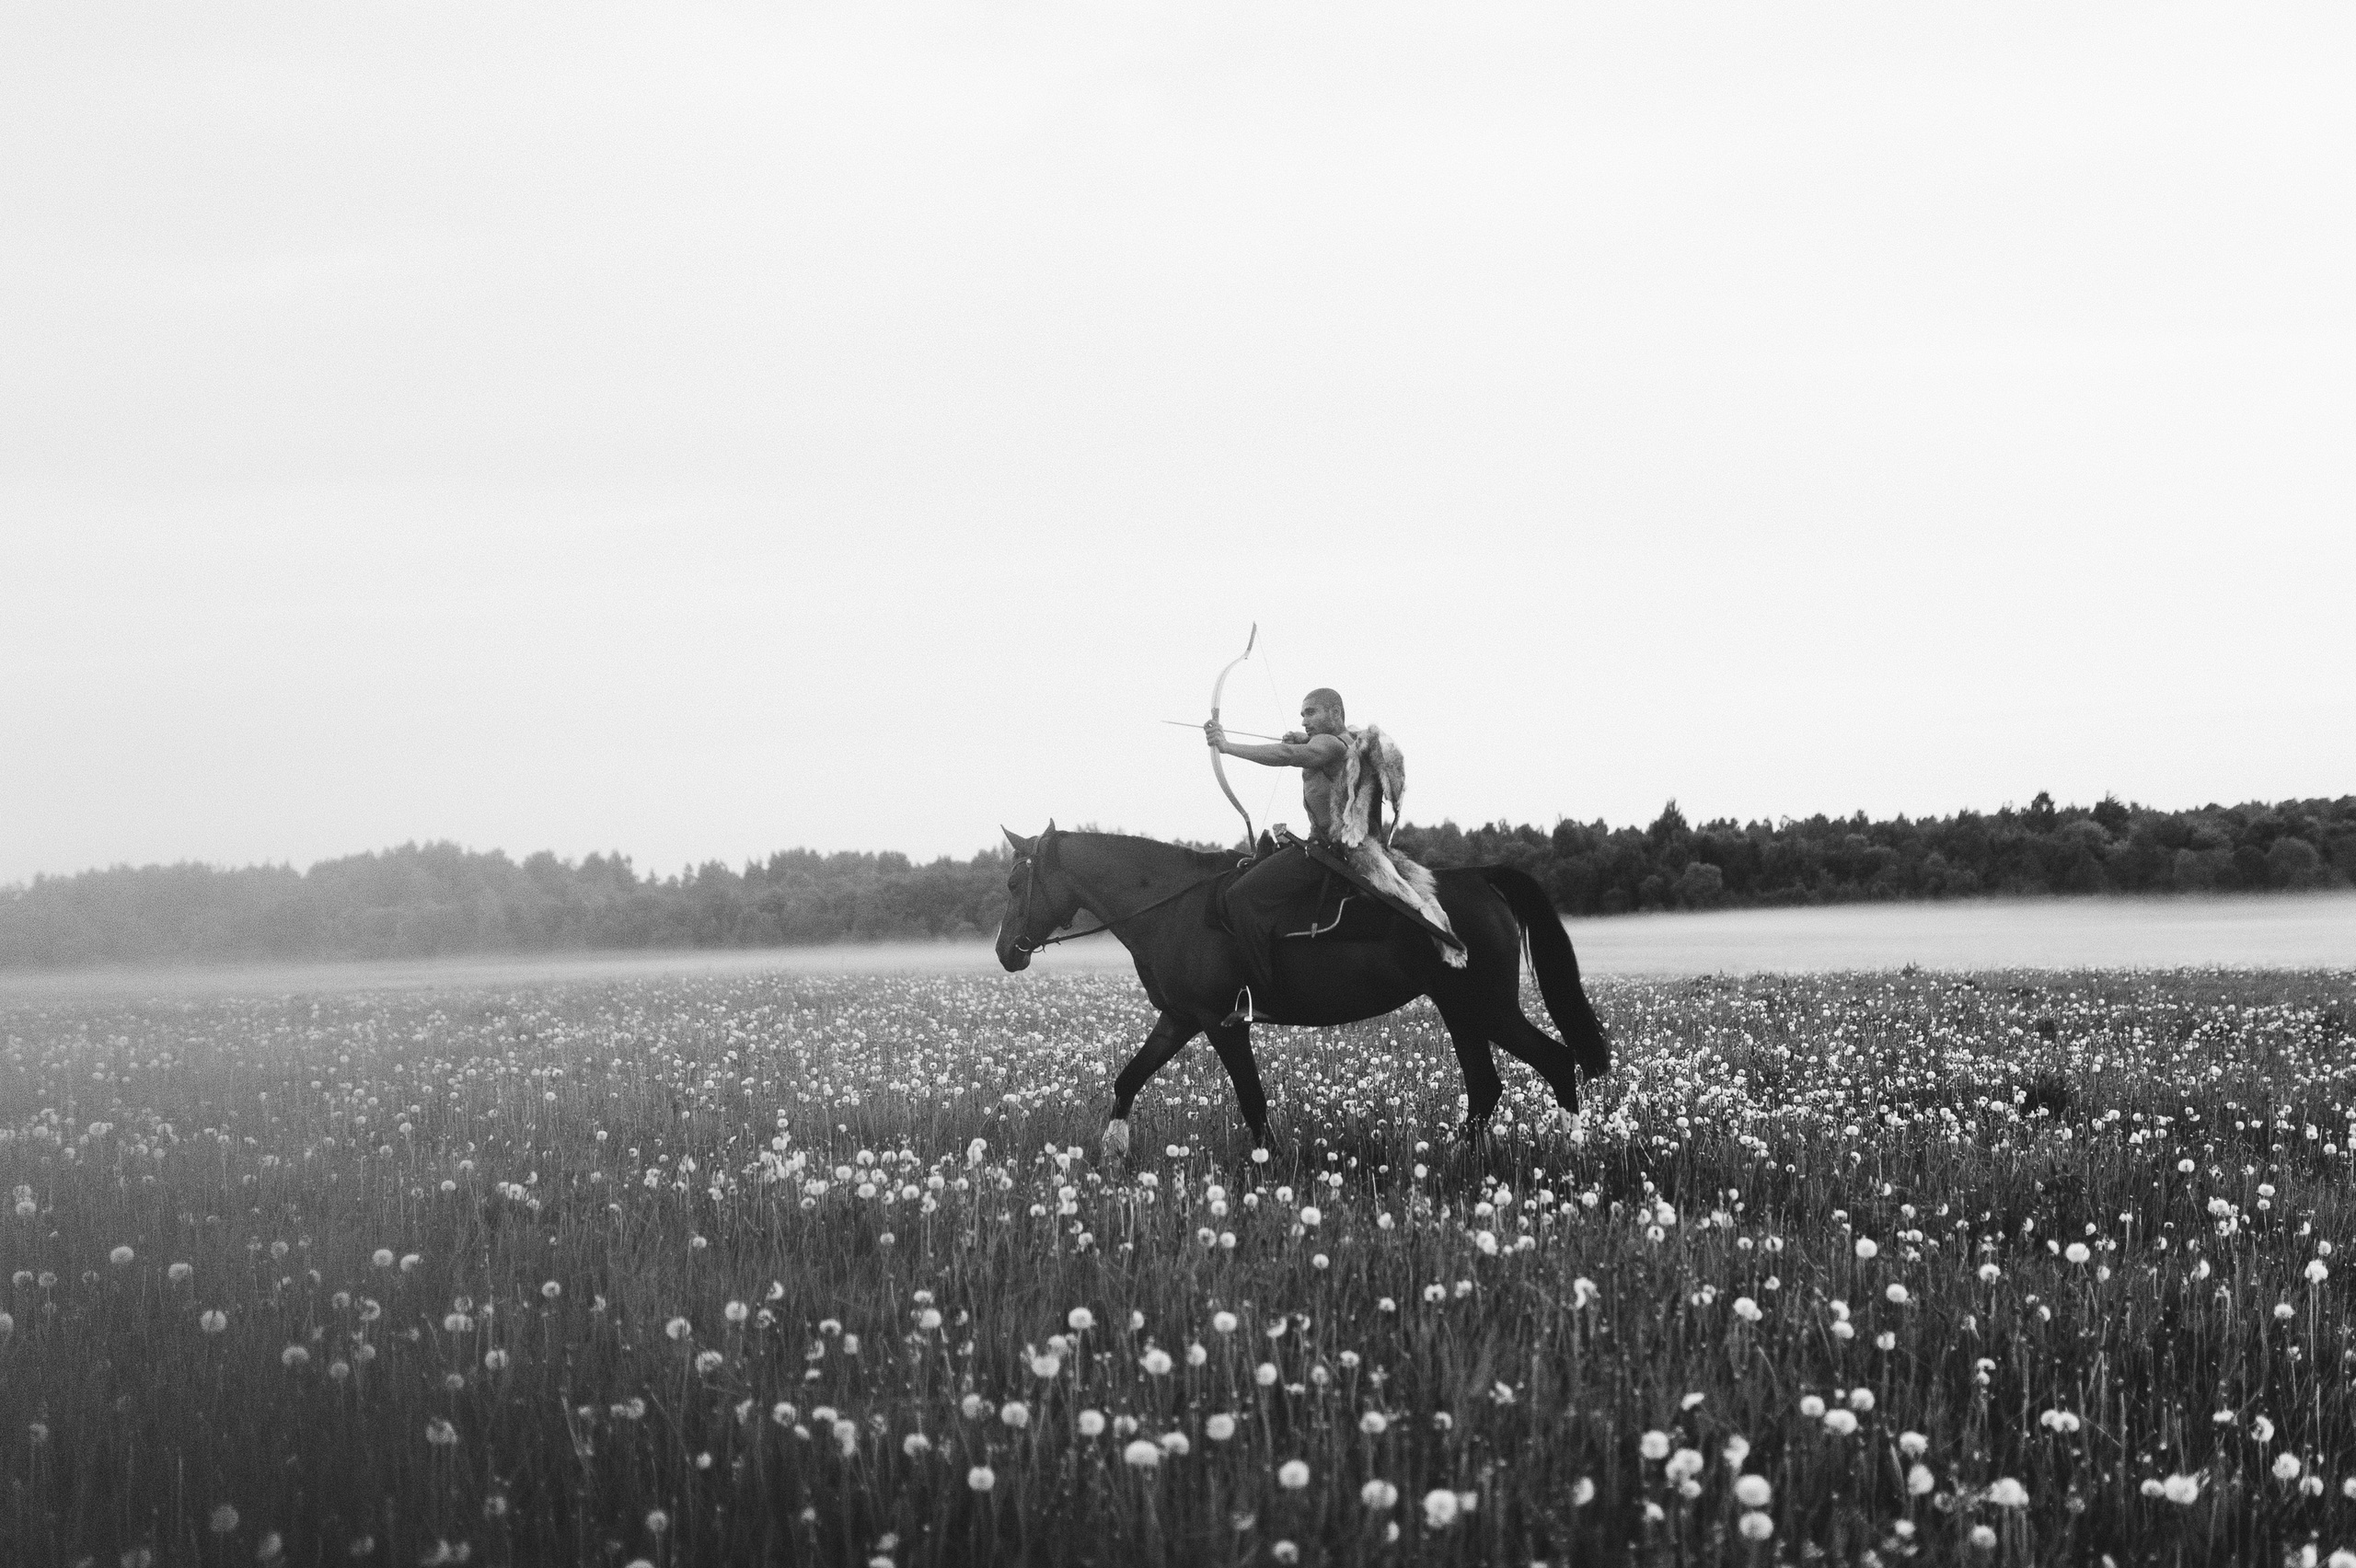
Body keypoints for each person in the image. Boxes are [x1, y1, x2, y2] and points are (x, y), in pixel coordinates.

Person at [1204, 687, 1357, 1023]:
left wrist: (1227, 747)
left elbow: (1287, 754)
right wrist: (1305, 737)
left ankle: (1266, 998)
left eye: (1311, 712)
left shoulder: (1334, 745)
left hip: (1331, 853)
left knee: (1241, 896)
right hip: (1324, 846)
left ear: (1336, 713)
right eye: (1302, 714)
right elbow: (1303, 746)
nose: (1304, 720)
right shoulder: (1337, 743)